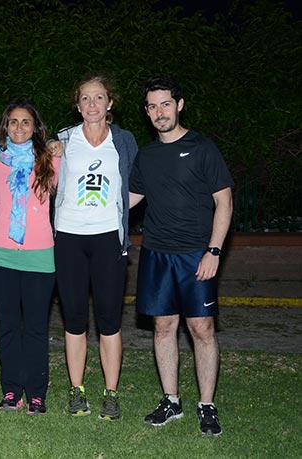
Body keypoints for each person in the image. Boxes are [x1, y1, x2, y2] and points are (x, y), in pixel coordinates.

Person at [129, 74, 234, 436]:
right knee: (163, 326)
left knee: (201, 328)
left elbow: (225, 201)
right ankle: (171, 400)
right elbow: (129, 200)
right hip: (157, 253)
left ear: (180, 105)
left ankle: (207, 404)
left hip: (196, 254)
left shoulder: (203, 148)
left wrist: (214, 251)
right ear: (147, 111)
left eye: (166, 104)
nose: (160, 112)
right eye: (153, 106)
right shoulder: (146, 155)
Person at [52, 75, 138, 421]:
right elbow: (42, 181)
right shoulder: (61, 140)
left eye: (98, 98)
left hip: (107, 237)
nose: (92, 105)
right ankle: (77, 390)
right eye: (85, 98)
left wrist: (116, 208)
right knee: (74, 319)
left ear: (110, 104)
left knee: (109, 320)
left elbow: (140, 182)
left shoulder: (125, 141)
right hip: (69, 237)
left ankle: (111, 393)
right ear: (77, 104)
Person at [0, 99, 58, 415]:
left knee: (36, 328)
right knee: (9, 327)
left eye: (25, 122)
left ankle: (37, 393)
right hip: (0, 254)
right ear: (4, 127)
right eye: (13, 122)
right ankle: (12, 390)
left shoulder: (50, 160)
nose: (19, 127)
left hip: (40, 256)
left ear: (36, 127)